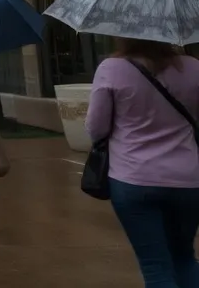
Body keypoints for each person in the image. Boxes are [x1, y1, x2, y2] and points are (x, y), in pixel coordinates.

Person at [85, 37, 199, 287]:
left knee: (155, 265)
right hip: (188, 180)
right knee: (184, 258)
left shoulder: (112, 68)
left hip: (133, 179)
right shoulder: (193, 67)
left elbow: (96, 128)